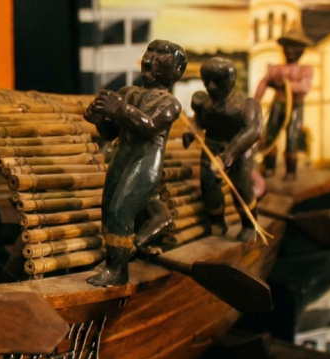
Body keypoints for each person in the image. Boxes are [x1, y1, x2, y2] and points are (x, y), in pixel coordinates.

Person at [84, 39, 187, 287]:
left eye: (160, 56)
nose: (150, 59)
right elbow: (110, 134)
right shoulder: (128, 93)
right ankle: (115, 262)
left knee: (121, 210)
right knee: (109, 209)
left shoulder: (169, 103)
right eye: (149, 53)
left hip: (146, 160)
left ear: (174, 71)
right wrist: (99, 117)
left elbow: (149, 127)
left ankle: (118, 271)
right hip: (123, 156)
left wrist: (118, 110)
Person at [188, 57, 263, 242]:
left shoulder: (246, 105)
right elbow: (200, 121)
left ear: (230, 81)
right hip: (212, 146)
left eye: (217, 82)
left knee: (240, 185)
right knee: (209, 185)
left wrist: (229, 154)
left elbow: (253, 131)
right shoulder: (204, 103)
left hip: (239, 148)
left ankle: (249, 224)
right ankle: (217, 221)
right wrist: (193, 131)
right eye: (207, 82)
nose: (211, 87)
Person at [254, 23, 314, 180]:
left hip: (295, 107)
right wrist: (255, 102)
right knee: (271, 135)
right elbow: (264, 82)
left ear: (302, 49)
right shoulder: (276, 68)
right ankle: (269, 167)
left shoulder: (305, 70)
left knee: (292, 137)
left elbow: (304, 87)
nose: (291, 51)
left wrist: (287, 84)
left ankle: (291, 171)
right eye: (288, 46)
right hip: (278, 105)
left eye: (296, 47)